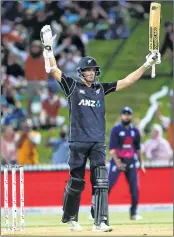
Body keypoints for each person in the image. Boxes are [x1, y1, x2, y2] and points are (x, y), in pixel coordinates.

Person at [40, 25, 161, 232]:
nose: (90, 73)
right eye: (87, 70)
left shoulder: (100, 89)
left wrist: (147, 63)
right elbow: (54, 71)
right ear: (80, 72)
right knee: (77, 182)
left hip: (97, 142)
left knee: (101, 182)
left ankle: (101, 221)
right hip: (77, 142)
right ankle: (71, 217)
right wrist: (48, 49)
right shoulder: (72, 87)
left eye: (93, 70)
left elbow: (127, 81)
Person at [108, 107, 145, 221]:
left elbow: (138, 149)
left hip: (131, 162)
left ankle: (133, 213)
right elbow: (112, 149)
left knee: (134, 189)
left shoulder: (135, 131)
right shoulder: (116, 129)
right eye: (124, 114)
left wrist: (141, 164)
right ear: (121, 116)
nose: (126, 116)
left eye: (128, 114)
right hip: (117, 160)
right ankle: (96, 211)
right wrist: (118, 162)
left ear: (131, 116)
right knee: (108, 186)